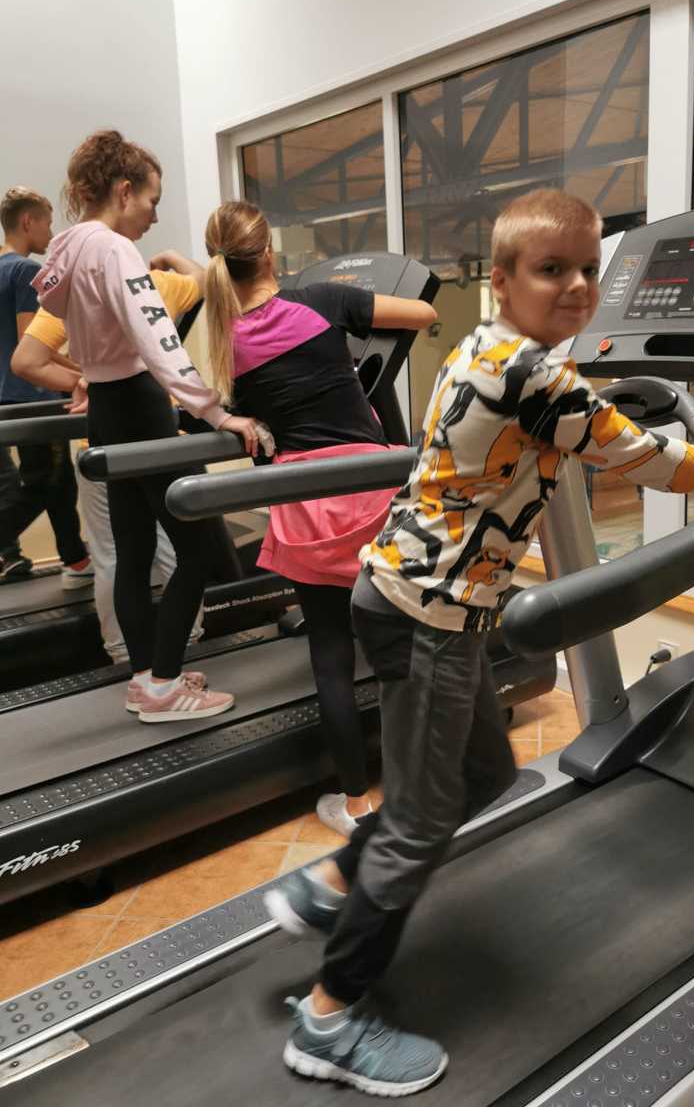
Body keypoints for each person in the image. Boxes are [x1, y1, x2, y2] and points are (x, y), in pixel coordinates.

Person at [263, 188, 694, 1096]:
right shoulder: (540, 382)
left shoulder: (484, 349)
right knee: (419, 826)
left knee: (486, 775)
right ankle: (328, 1020)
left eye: (588, 269)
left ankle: (333, 879)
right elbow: (650, 461)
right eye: (550, 269)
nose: (576, 286)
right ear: (502, 279)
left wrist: (615, 424)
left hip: (404, 597)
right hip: (430, 620)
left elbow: (580, 428)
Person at [202, 201, 436, 836]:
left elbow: (224, 410)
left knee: (331, 655)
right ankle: (428, 782)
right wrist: (351, 310)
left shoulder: (226, 343)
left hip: (306, 507)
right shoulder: (323, 301)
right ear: (268, 253)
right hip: (372, 495)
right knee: (407, 642)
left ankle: (355, 805)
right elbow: (423, 313)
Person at [31, 129, 259, 723]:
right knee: (199, 549)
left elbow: (59, 311)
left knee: (132, 552)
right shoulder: (113, 249)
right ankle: (164, 683)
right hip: (139, 406)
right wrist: (217, 411)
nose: (155, 216)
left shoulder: (69, 247)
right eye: (153, 201)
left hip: (106, 409)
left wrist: (88, 373)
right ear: (125, 190)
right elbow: (159, 342)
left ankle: (146, 678)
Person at [12, 256, 206, 665]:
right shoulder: (155, 283)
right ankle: (184, 647)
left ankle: (123, 654)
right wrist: (170, 258)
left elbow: (26, 361)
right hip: (157, 441)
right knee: (174, 551)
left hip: (101, 445)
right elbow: (203, 278)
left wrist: (82, 381)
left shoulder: (74, 294)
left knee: (112, 556)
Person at [0, 186, 92, 586]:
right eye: (47, 223)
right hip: (33, 394)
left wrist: (77, 365)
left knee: (59, 480)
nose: (51, 233)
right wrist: (81, 372)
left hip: (9, 396)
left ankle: (76, 561)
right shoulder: (24, 271)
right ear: (28, 221)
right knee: (43, 483)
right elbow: (32, 344)